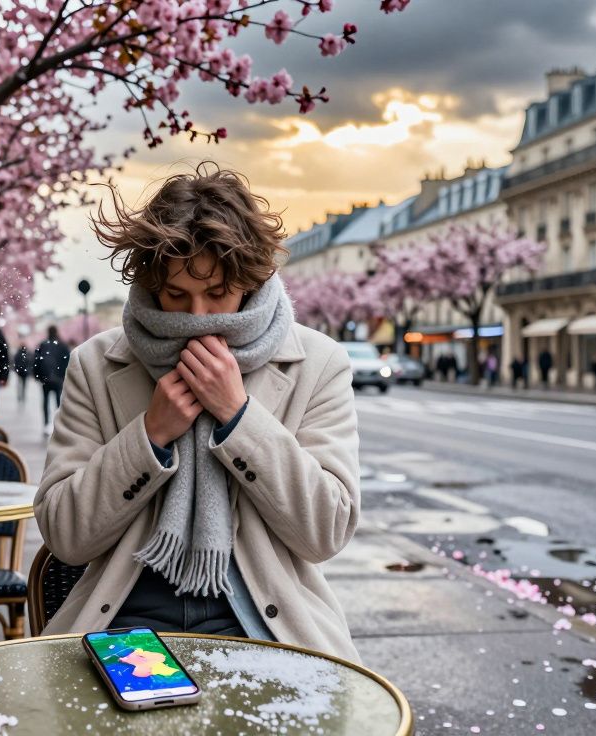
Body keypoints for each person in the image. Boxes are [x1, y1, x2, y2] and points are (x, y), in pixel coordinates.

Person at [35, 166, 362, 661]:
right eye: (175, 296)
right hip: (123, 626)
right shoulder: (96, 364)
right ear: (150, 284)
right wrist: (148, 436)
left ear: (249, 283)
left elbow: (326, 531)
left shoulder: (318, 364)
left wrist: (238, 416)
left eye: (217, 294)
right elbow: (65, 535)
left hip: (265, 630)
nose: (198, 318)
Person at [33, 326, 71, 435]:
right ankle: (58, 425)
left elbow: (36, 361)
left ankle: (46, 424)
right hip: (59, 378)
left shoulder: (43, 344)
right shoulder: (63, 345)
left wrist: (37, 376)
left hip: (45, 379)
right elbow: (68, 361)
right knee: (58, 402)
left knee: (45, 401)